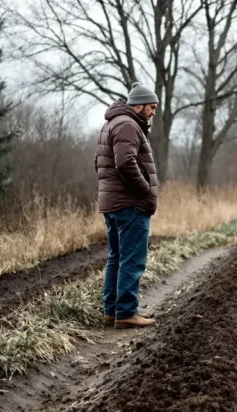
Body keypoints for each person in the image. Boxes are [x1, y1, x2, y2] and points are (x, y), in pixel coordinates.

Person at [94, 82, 159, 329]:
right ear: (139, 105)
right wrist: (144, 190)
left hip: (113, 203)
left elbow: (99, 162)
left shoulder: (111, 123)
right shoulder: (128, 125)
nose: (153, 112)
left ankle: (112, 312)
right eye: (151, 107)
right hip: (130, 204)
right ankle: (127, 313)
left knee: (117, 258)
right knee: (132, 260)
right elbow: (125, 163)